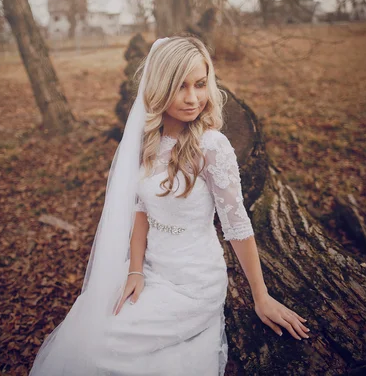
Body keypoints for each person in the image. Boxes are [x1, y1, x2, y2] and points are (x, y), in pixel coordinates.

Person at [28, 36, 310, 376]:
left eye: (200, 84)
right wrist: (134, 270)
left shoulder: (212, 146)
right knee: (83, 335)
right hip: (150, 269)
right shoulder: (148, 141)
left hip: (193, 283)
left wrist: (260, 296)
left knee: (99, 349)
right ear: (160, 88)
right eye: (180, 87)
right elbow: (141, 211)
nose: (193, 98)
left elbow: (237, 227)